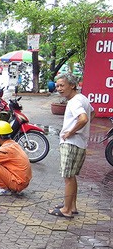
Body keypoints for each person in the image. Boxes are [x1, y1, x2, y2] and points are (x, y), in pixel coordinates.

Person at [49, 73, 95, 218]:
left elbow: (84, 118)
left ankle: (66, 210)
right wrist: (82, 130)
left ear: (72, 85)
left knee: (68, 177)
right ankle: (71, 206)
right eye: (57, 86)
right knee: (72, 176)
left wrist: (71, 132)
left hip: (71, 143)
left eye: (62, 85)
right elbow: (92, 113)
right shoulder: (83, 99)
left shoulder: (74, 101)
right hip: (80, 143)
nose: (59, 89)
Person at [0, 120, 32, 196]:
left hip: (18, 183)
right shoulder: (13, 144)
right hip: (23, 181)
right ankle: (10, 187)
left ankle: (4, 189)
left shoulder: (4, 150)